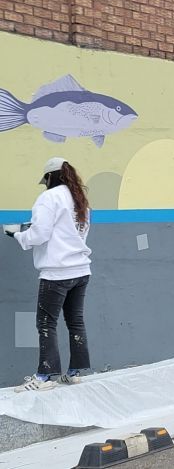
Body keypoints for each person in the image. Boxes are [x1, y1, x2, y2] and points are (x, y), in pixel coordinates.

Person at [5, 158, 92, 392]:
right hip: (80, 270)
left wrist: (16, 235)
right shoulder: (79, 199)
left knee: (46, 324)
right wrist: (33, 226)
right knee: (75, 321)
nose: (44, 184)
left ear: (50, 177)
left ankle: (44, 377)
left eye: (45, 180)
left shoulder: (48, 197)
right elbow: (72, 231)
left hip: (57, 272)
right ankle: (74, 373)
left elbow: (39, 235)